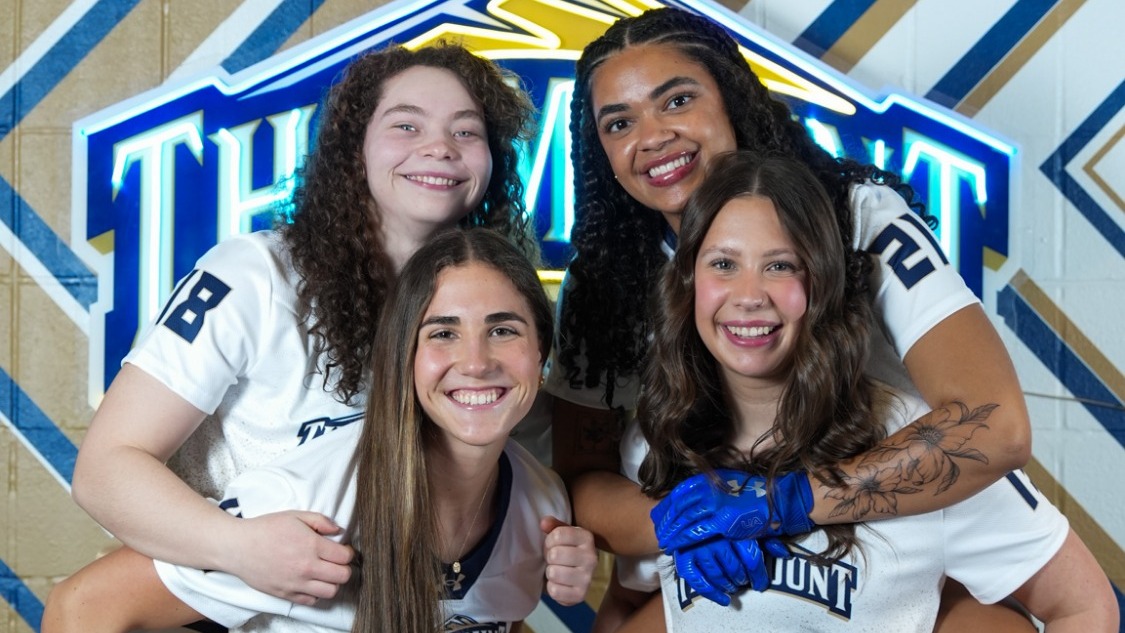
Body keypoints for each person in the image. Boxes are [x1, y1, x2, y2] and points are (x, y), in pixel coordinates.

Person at [547, 7, 1035, 630]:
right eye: (619, 122)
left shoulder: (859, 219)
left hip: (899, 543)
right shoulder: (606, 278)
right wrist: (688, 520)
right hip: (736, 570)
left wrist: (786, 502)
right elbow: (581, 480)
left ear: (732, 99)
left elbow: (996, 426)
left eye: (677, 100)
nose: (652, 135)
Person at [68, 42, 538, 607]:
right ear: (353, 147)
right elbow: (103, 471)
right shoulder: (256, 275)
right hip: (209, 598)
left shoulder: (489, 312)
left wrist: (558, 546)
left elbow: (505, 490)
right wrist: (236, 547)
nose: (439, 147)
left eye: (466, 132)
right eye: (407, 126)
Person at [631, 150, 1117, 631]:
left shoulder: (918, 445)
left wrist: (782, 505)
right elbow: (633, 601)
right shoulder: (660, 436)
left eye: (780, 266)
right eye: (723, 264)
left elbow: (1083, 606)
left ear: (821, 284)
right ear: (689, 281)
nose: (750, 295)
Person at [43, 228, 599, 633]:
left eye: (503, 330)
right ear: (402, 358)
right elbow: (81, 609)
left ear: (542, 356)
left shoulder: (542, 502)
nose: (476, 361)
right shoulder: (311, 501)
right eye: (443, 334)